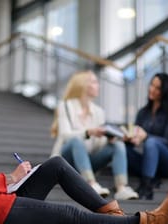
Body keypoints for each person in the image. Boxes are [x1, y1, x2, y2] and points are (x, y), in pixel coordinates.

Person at [0, 76, 168, 224]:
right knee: (68, 215)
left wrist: (11, 181)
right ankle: (143, 221)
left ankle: (112, 214)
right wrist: (10, 178)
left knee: (56, 164)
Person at [50, 70, 138, 200]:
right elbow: (65, 135)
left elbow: (98, 144)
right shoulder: (66, 106)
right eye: (94, 82)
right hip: (66, 161)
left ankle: (121, 188)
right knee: (76, 140)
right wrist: (89, 132)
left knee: (118, 144)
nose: (98, 85)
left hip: (88, 161)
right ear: (83, 85)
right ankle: (91, 184)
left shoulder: (99, 112)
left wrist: (109, 138)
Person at [125, 73, 168, 200]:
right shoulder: (143, 112)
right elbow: (137, 138)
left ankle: (146, 187)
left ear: (165, 92)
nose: (152, 89)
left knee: (151, 143)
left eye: (157, 88)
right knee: (121, 148)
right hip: (150, 160)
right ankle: (152, 176)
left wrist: (146, 136)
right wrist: (130, 139)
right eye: (152, 85)